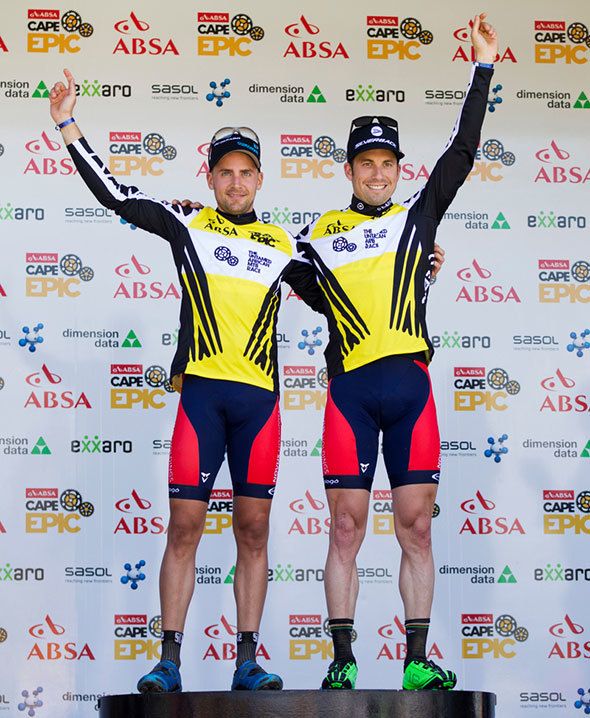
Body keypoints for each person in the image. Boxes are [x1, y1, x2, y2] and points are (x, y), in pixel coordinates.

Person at [48, 69, 323, 693]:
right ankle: (168, 660)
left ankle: (247, 659)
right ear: (210, 178)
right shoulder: (189, 225)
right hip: (201, 396)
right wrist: (68, 125)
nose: (234, 181)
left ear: (260, 178)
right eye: (224, 171)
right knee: (184, 526)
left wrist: (425, 276)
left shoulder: (283, 243)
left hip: (259, 404)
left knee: (253, 530)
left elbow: (346, 296)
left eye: (245, 171)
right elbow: (117, 196)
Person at [294, 14, 498, 691]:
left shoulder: (418, 214)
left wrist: (483, 70)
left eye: (388, 164)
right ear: (349, 169)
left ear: (398, 169)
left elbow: (463, 152)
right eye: (366, 164)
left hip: (411, 391)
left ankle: (415, 660)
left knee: (417, 528)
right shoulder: (320, 231)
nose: (378, 174)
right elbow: (262, 275)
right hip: (350, 392)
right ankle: (343, 660)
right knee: (346, 529)